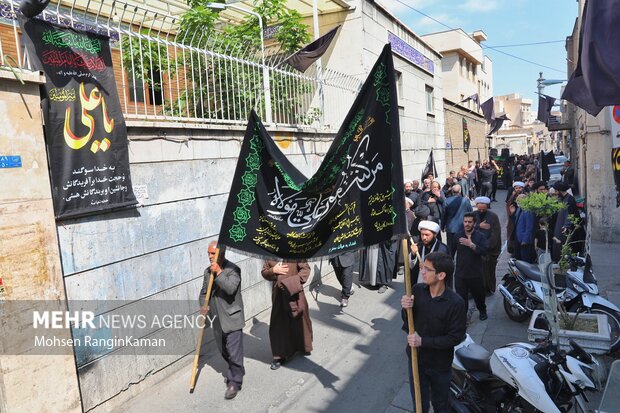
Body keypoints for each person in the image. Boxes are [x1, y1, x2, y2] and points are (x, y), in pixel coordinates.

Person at [401, 252, 466, 413]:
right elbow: (408, 321)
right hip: (416, 360)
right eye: (423, 268)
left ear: (441, 275)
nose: (422, 272)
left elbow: (455, 337)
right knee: (419, 405)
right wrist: (405, 307)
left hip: (440, 365)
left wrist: (423, 341)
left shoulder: (456, 303)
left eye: (427, 269)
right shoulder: (417, 290)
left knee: (440, 405)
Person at [199, 242, 245, 399]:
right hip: (217, 319)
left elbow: (231, 289)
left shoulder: (233, 269)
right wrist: (203, 306)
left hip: (232, 317)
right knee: (223, 350)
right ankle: (235, 370)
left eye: (213, 254)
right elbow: (204, 293)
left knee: (234, 352)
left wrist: (218, 272)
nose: (210, 257)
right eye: (208, 253)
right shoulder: (207, 272)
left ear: (222, 254)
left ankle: (235, 382)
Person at [261, 260, 313, 370]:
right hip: (278, 297)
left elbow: (305, 270)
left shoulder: (295, 250)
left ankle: (303, 346)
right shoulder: (270, 253)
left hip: (295, 295)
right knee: (278, 326)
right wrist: (273, 270)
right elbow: (264, 272)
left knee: (301, 322)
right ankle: (280, 356)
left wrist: (289, 283)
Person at [453, 212, 489, 320]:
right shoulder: (457, 236)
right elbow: (450, 252)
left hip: (475, 273)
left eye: (469, 222)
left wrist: (472, 245)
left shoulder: (480, 236)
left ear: (474, 223)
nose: (467, 224)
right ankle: (463, 318)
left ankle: (482, 311)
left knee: (479, 296)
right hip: (460, 274)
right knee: (461, 299)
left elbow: (484, 251)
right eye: (465, 222)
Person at [473, 196, 501, 295]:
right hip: (475, 248)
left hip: (489, 250)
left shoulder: (493, 216)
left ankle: (488, 289)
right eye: (479, 209)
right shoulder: (473, 215)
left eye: (483, 209)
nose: (481, 211)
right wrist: (478, 226)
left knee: (488, 271)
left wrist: (487, 246)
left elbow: (495, 233)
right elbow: (467, 228)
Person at [442, 184, 472, 255]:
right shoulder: (466, 201)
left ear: (452, 191)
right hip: (462, 228)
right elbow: (470, 213)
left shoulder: (447, 201)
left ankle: (450, 263)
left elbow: (444, 215)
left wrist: (442, 226)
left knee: (450, 249)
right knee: (462, 249)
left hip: (450, 228)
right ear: (460, 190)